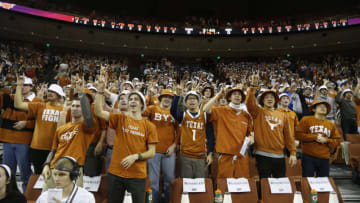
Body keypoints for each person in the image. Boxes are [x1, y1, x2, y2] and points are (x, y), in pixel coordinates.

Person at [94, 76, 158, 203]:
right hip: (116, 172)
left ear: (142, 104)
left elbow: (152, 152)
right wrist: (100, 91)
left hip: (137, 174)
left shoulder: (149, 126)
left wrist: (136, 157)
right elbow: (99, 112)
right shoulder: (120, 118)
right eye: (131, 99)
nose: (133, 101)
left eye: (136, 99)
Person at [41, 85, 97, 191]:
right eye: (73, 106)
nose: (75, 108)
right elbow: (54, 150)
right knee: (48, 199)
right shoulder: (61, 129)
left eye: (79, 106)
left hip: (74, 170)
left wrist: (81, 93)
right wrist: (47, 164)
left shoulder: (87, 127)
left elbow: (88, 117)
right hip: (55, 168)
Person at [246, 73, 297, 179]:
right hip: (262, 154)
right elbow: (249, 103)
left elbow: (288, 135)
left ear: (275, 100)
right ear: (262, 100)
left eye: (272, 97)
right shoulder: (258, 112)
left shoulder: (283, 115)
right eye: (266, 97)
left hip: (279, 155)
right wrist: (252, 87)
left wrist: (292, 152)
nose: (269, 99)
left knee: (280, 184)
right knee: (264, 184)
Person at [14, 75, 64, 174]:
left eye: (53, 92)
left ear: (59, 94)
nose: (50, 93)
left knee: (54, 176)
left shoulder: (65, 109)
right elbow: (18, 104)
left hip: (55, 148)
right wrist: (19, 86)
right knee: (37, 176)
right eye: (49, 91)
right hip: (37, 147)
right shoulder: (40, 105)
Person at [0, 77, 42, 191]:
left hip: (25, 142)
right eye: (21, 84)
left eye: (26, 85)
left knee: (25, 173)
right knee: (7, 174)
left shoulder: (38, 101)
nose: (23, 87)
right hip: (8, 141)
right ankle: (8, 198)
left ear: (31, 86)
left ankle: (26, 198)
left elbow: (42, 122)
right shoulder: (10, 98)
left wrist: (27, 123)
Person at [203, 87, 253, 178]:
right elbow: (205, 109)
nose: (237, 96)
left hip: (242, 155)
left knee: (242, 185)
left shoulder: (246, 115)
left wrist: (250, 138)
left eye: (239, 95)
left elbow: (250, 133)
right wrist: (218, 94)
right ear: (229, 98)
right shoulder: (221, 110)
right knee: (224, 185)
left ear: (242, 98)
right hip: (226, 155)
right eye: (234, 94)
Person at [170, 84, 215, 178]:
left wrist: (210, 153)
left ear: (199, 102)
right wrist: (177, 95)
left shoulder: (205, 115)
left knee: (200, 185)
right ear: (185, 103)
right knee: (186, 184)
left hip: (201, 155)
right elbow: (173, 112)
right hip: (185, 155)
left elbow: (211, 136)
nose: (192, 100)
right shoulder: (183, 115)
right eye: (189, 98)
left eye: (194, 98)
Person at [143, 89, 176, 203]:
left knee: (170, 181)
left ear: (172, 100)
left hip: (169, 151)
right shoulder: (153, 108)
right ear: (160, 98)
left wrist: (174, 146)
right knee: (153, 182)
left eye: (170, 97)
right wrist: (148, 96)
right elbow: (141, 112)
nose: (167, 99)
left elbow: (180, 131)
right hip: (153, 150)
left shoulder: (174, 112)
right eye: (165, 96)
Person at [295, 100, 341, 177]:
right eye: (320, 106)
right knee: (307, 181)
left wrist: (326, 140)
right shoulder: (306, 119)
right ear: (313, 109)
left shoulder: (331, 124)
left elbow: (337, 141)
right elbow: (299, 135)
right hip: (308, 156)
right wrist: (314, 137)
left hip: (324, 158)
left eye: (325, 107)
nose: (323, 108)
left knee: (323, 183)